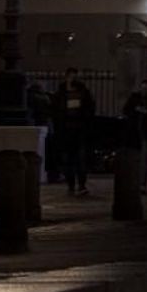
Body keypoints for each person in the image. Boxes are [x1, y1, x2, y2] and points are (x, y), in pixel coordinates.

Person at [52, 68, 94, 196]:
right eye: (71, 76)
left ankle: (81, 185)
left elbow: (90, 108)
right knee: (67, 160)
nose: (74, 79)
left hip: (79, 130)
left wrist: (85, 120)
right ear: (67, 77)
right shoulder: (60, 94)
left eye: (76, 76)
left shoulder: (83, 92)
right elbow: (55, 111)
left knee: (80, 159)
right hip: (65, 131)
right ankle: (71, 185)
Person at [121, 78, 147, 191]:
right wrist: (135, 109)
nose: (144, 90)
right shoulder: (134, 97)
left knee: (143, 160)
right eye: (142, 88)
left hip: (145, 133)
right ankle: (133, 182)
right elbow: (125, 110)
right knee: (133, 159)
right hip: (133, 132)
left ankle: (142, 184)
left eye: (146, 88)